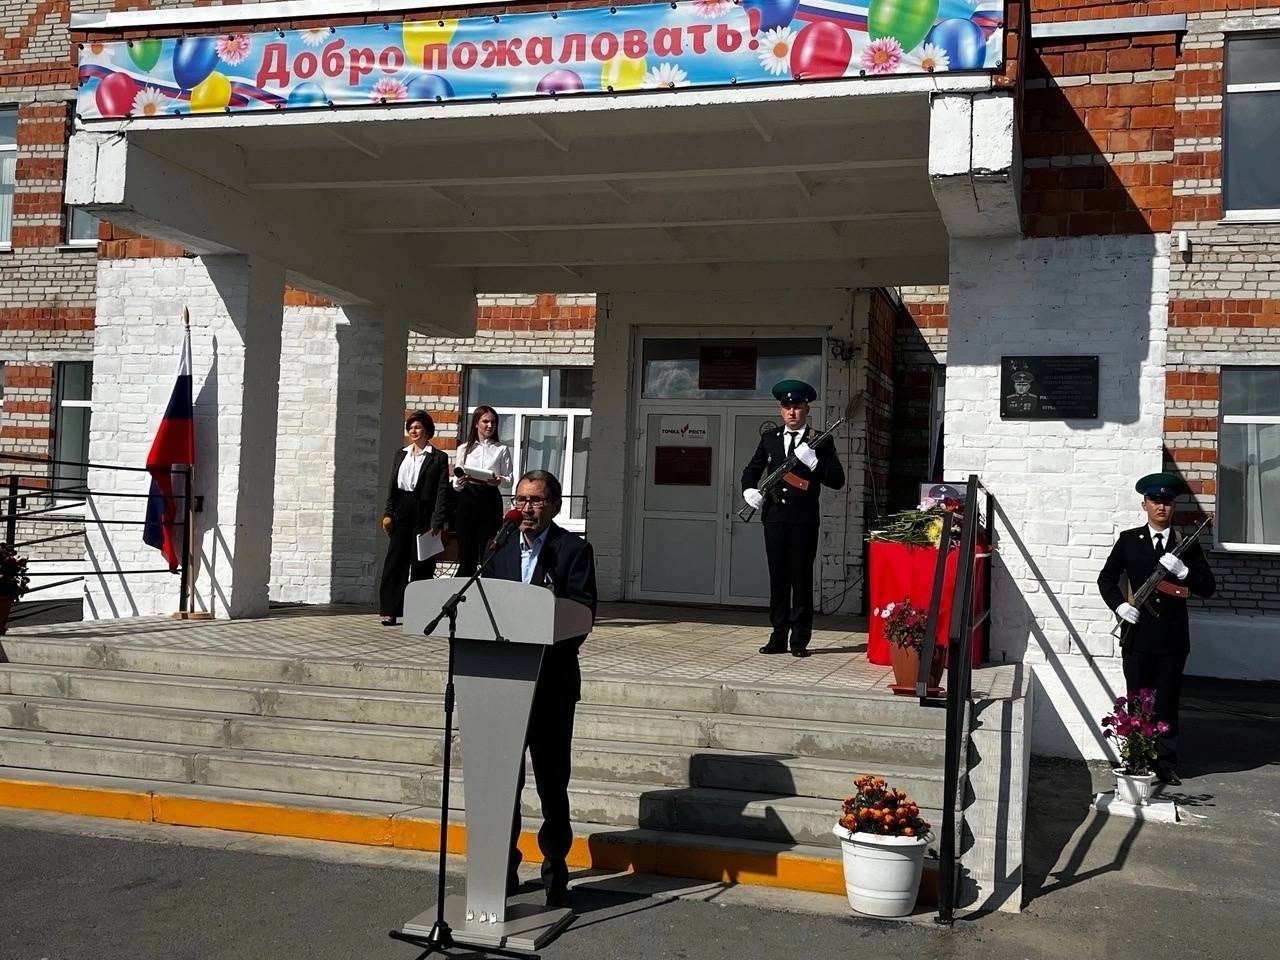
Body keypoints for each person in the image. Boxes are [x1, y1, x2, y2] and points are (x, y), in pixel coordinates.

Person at [485, 469, 597, 908]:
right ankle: (504, 869)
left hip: (551, 685)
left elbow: (583, 614)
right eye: (520, 500)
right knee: (503, 786)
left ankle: (555, 873)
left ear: (554, 505)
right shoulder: (498, 547)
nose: (526, 509)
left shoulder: (573, 550)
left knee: (552, 786)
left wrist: (541, 631)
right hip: (504, 685)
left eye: (535, 501)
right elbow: (483, 604)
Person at [1097, 472, 1215, 786]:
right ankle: (1137, 758)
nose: (1161, 507)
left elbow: (1208, 587)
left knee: (1167, 701)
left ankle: (1165, 763)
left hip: (1172, 639)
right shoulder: (1129, 540)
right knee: (1137, 699)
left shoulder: (1186, 544)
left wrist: (1185, 572)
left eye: (1167, 501)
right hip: (1137, 636)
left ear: (1173, 506)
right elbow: (1106, 579)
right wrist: (1120, 606)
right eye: (1155, 501)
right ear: (1145, 505)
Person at [741, 379, 845, 658]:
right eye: (787, 407)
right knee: (778, 579)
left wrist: (814, 462)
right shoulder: (770, 439)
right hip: (774, 518)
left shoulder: (820, 440)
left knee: (800, 579)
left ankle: (799, 640)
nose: (792, 412)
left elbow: (837, 480)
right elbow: (752, 469)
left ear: (806, 409)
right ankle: (778, 637)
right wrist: (749, 490)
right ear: (781, 410)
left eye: (797, 407)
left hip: (803, 521)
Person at [378, 411, 450, 627]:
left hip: (424, 513)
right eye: (410, 427)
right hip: (402, 510)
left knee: (422, 564)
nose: (413, 431)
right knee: (395, 561)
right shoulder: (401, 454)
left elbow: (442, 491)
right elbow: (393, 487)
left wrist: (437, 520)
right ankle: (390, 610)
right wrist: (388, 513)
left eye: (417, 427)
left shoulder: (438, 457)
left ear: (427, 430)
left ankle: (418, 611)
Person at [451, 405, 513, 577]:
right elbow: (456, 483)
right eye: (485, 421)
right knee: (466, 547)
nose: (490, 425)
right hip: (468, 498)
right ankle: (465, 583)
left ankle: (488, 581)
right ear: (476, 423)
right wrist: (460, 481)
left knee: (488, 545)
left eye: (493, 422)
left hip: (489, 498)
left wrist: (498, 480)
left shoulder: (501, 449)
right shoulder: (464, 449)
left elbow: (509, 479)